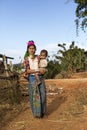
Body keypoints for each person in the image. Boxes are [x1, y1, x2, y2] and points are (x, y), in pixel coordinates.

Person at [23, 40, 47, 118]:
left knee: (43, 95)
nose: (32, 50)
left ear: (35, 49)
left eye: (33, 48)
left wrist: (43, 70)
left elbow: (43, 66)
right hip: (32, 78)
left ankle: (43, 112)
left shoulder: (38, 57)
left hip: (40, 77)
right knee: (35, 97)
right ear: (28, 49)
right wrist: (37, 70)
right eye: (30, 48)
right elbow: (27, 70)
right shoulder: (26, 59)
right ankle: (37, 114)